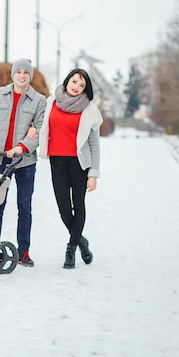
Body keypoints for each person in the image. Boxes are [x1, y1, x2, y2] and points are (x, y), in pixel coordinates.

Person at [0, 58, 47, 267]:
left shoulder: (38, 100)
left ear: (30, 76)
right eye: (18, 72)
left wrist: (22, 146)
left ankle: (23, 252)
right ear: (13, 74)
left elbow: (41, 129)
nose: (22, 76)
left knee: (24, 207)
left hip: (24, 161)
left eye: (25, 73)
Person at [36, 68, 103, 269]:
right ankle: (81, 241)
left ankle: (71, 250)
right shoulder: (51, 102)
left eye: (82, 85)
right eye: (74, 82)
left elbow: (94, 144)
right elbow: (40, 125)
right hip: (57, 162)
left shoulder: (89, 109)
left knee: (78, 205)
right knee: (64, 208)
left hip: (79, 164)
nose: (77, 87)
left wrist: (94, 174)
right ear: (67, 81)